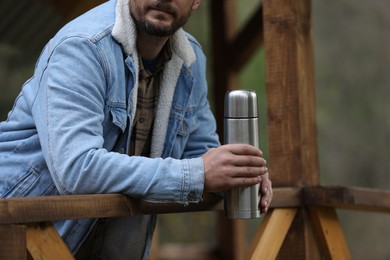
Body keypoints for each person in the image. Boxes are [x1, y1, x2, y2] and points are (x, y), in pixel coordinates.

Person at [0, 0, 272, 259]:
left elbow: (201, 153)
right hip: (16, 239)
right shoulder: (83, 46)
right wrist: (198, 174)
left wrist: (242, 172)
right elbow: (76, 168)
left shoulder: (190, 60)